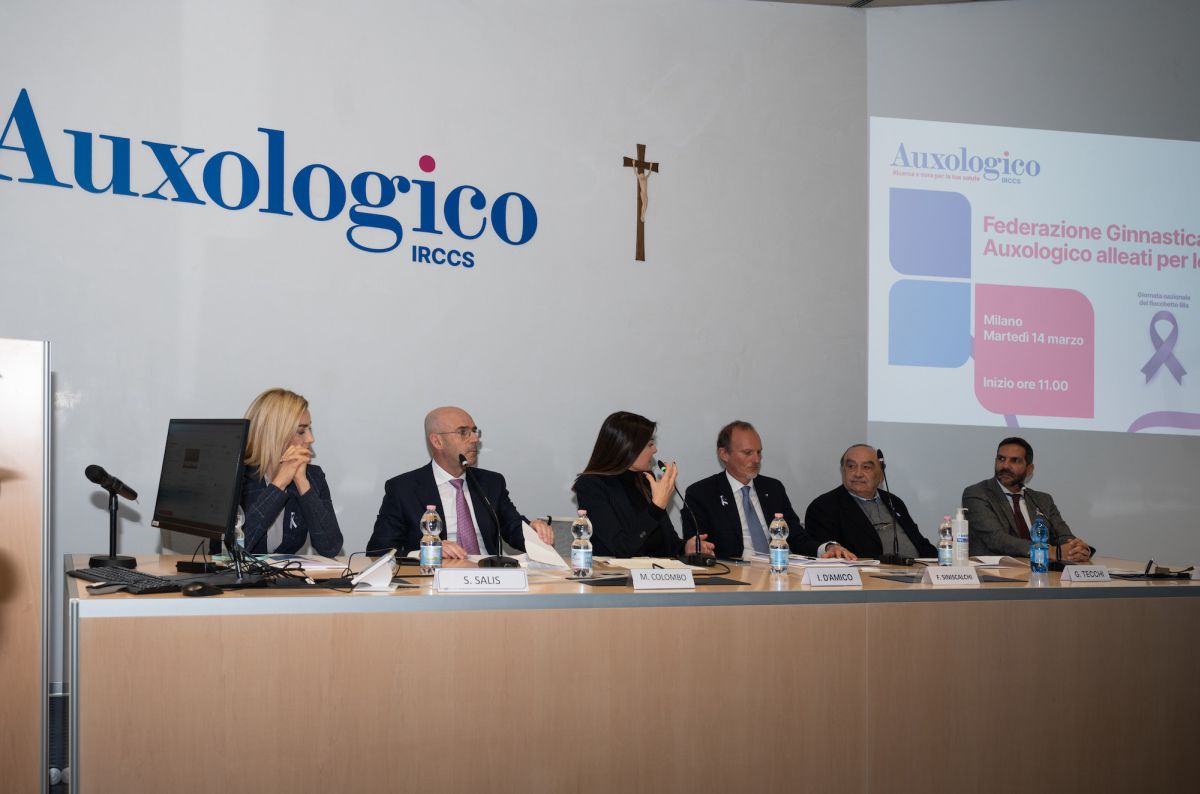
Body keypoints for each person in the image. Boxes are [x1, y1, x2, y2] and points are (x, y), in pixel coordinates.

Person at [367, 406, 553, 559]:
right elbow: (378, 551)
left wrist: (533, 532)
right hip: (435, 580)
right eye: (463, 432)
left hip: (490, 578)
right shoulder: (403, 489)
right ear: (437, 441)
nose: (475, 439)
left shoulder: (491, 483)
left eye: (474, 431)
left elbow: (513, 529)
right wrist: (427, 551)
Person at [681, 421, 856, 560]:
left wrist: (827, 548)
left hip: (777, 571)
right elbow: (699, 547)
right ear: (724, 454)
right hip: (733, 577)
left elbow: (796, 537)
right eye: (748, 453)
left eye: (759, 452)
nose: (756, 459)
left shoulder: (773, 489)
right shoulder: (701, 494)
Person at [573, 411, 715, 559]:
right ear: (628, 447)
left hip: (656, 571)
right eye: (650, 444)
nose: (655, 450)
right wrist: (656, 507)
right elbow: (621, 549)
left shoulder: (646, 480)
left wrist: (685, 547)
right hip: (616, 572)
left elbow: (666, 543)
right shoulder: (591, 485)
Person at [237, 387, 343, 557]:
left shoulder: (313, 477)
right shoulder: (237, 477)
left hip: (285, 573)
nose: (310, 439)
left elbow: (330, 547)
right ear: (274, 435)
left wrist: (302, 483)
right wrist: (279, 484)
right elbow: (233, 549)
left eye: (309, 429)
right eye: (301, 431)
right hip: (241, 574)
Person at [961, 436, 1092, 561]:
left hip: (1043, 572)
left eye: (1015, 461)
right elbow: (997, 539)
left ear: (1029, 469)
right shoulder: (977, 494)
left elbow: (1064, 537)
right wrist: (1050, 551)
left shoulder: (1043, 500)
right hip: (994, 574)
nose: (1005, 466)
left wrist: (1078, 550)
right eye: (1001, 459)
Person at [804, 444, 936, 559]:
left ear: (881, 473)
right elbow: (830, 554)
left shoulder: (894, 501)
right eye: (851, 466)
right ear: (843, 470)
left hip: (917, 572)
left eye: (866, 467)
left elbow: (920, 543)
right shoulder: (824, 507)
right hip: (868, 576)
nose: (858, 473)